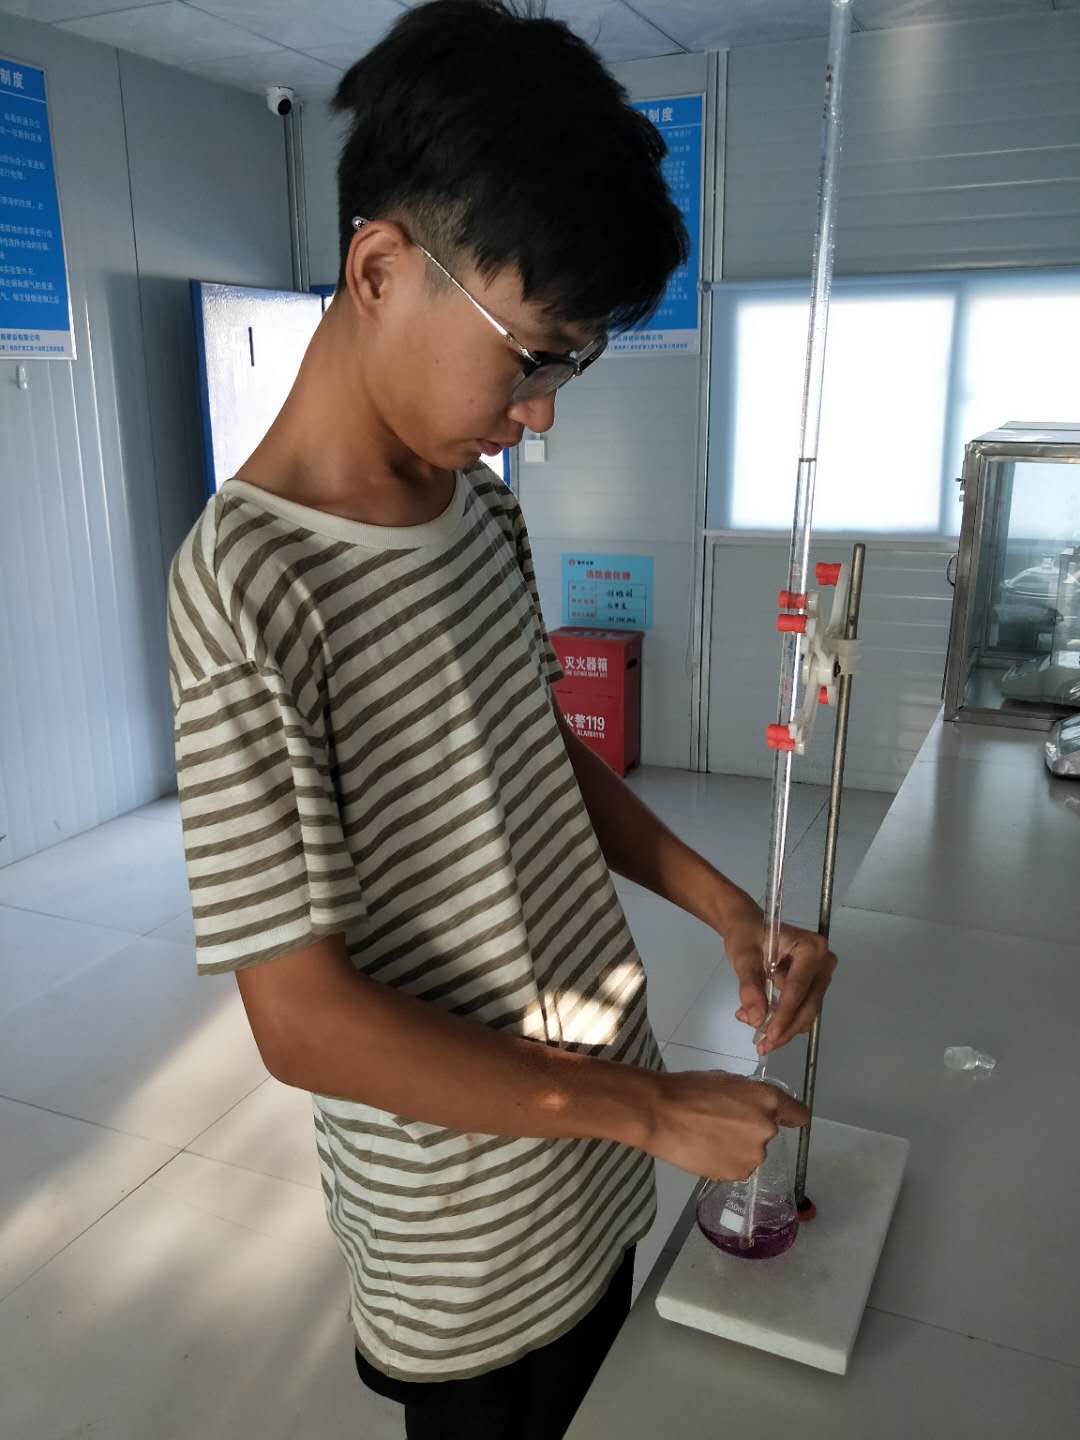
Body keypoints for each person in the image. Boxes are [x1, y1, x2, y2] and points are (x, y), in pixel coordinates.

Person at [165, 3, 836, 1436]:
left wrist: (727, 909)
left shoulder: (479, 514)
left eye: (567, 370)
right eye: (531, 356)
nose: (540, 416)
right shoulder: (250, 591)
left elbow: (533, 760)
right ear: (379, 270)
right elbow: (303, 1023)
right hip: (461, 1233)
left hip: (594, 1144)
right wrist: (655, 1111)